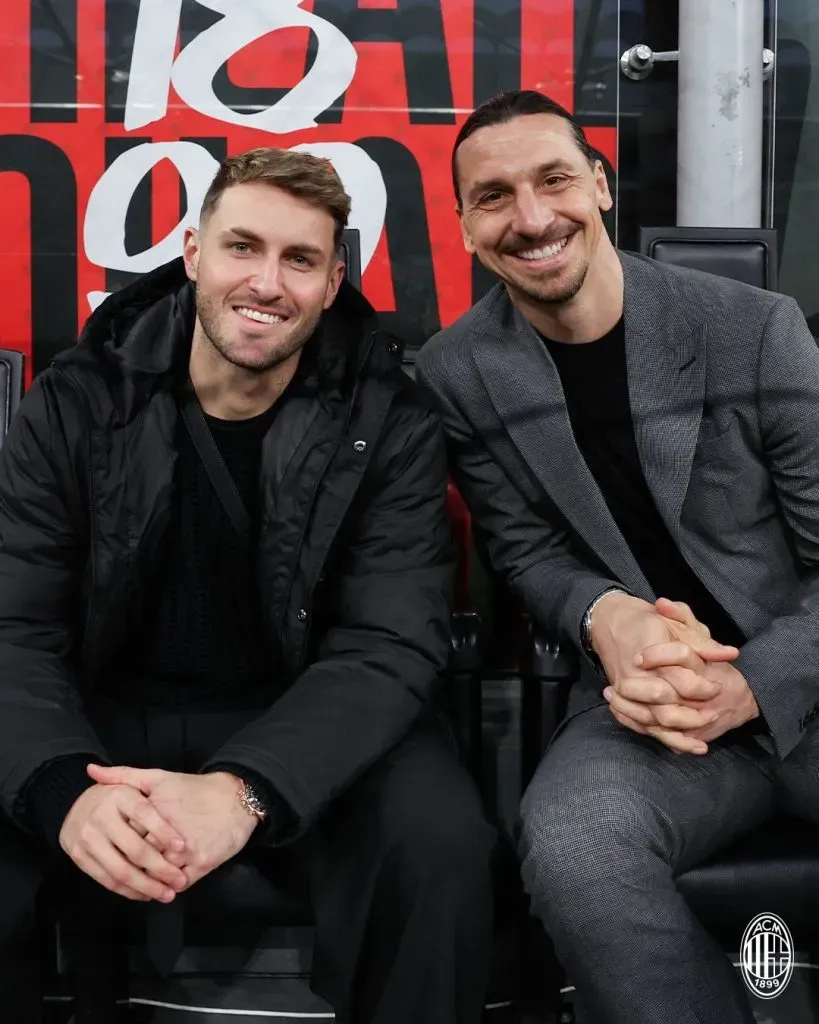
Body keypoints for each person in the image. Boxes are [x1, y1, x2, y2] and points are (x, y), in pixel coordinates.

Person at [0, 147, 497, 1024]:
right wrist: (62, 790)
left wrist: (247, 790)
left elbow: (388, 642)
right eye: (242, 247)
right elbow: (14, 626)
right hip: (102, 716)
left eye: (299, 260)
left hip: (302, 712)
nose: (266, 283)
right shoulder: (77, 397)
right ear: (193, 253)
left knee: (439, 842)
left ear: (332, 282)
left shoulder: (390, 419)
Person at [416, 89, 819, 1024]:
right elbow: (525, 552)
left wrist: (752, 682)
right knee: (573, 847)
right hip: (647, 713)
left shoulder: (754, 328)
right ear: (465, 225)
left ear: (599, 185)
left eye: (553, 180)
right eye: (493, 196)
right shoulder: (457, 371)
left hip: (805, 682)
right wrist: (607, 615)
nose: (530, 218)